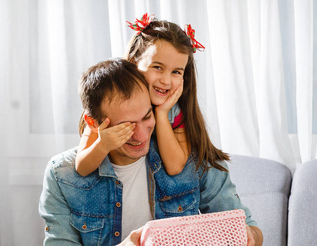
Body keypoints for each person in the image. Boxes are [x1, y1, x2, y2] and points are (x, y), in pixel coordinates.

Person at [39, 58, 262, 246]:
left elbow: (255, 236)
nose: (141, 136)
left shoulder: (187, 155)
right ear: (93, 123)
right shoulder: (62, 174)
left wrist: (250, 241)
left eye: (146, 117)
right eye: (125, 127)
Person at [75, 13, 219, 177]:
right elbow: (82, 167)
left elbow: (174, 167)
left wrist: (162, 114)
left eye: (176, 72)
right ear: (134, 61)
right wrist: (102, 145)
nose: (166, 81)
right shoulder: (109, 102)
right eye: (157, 67)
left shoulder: (175, 112)